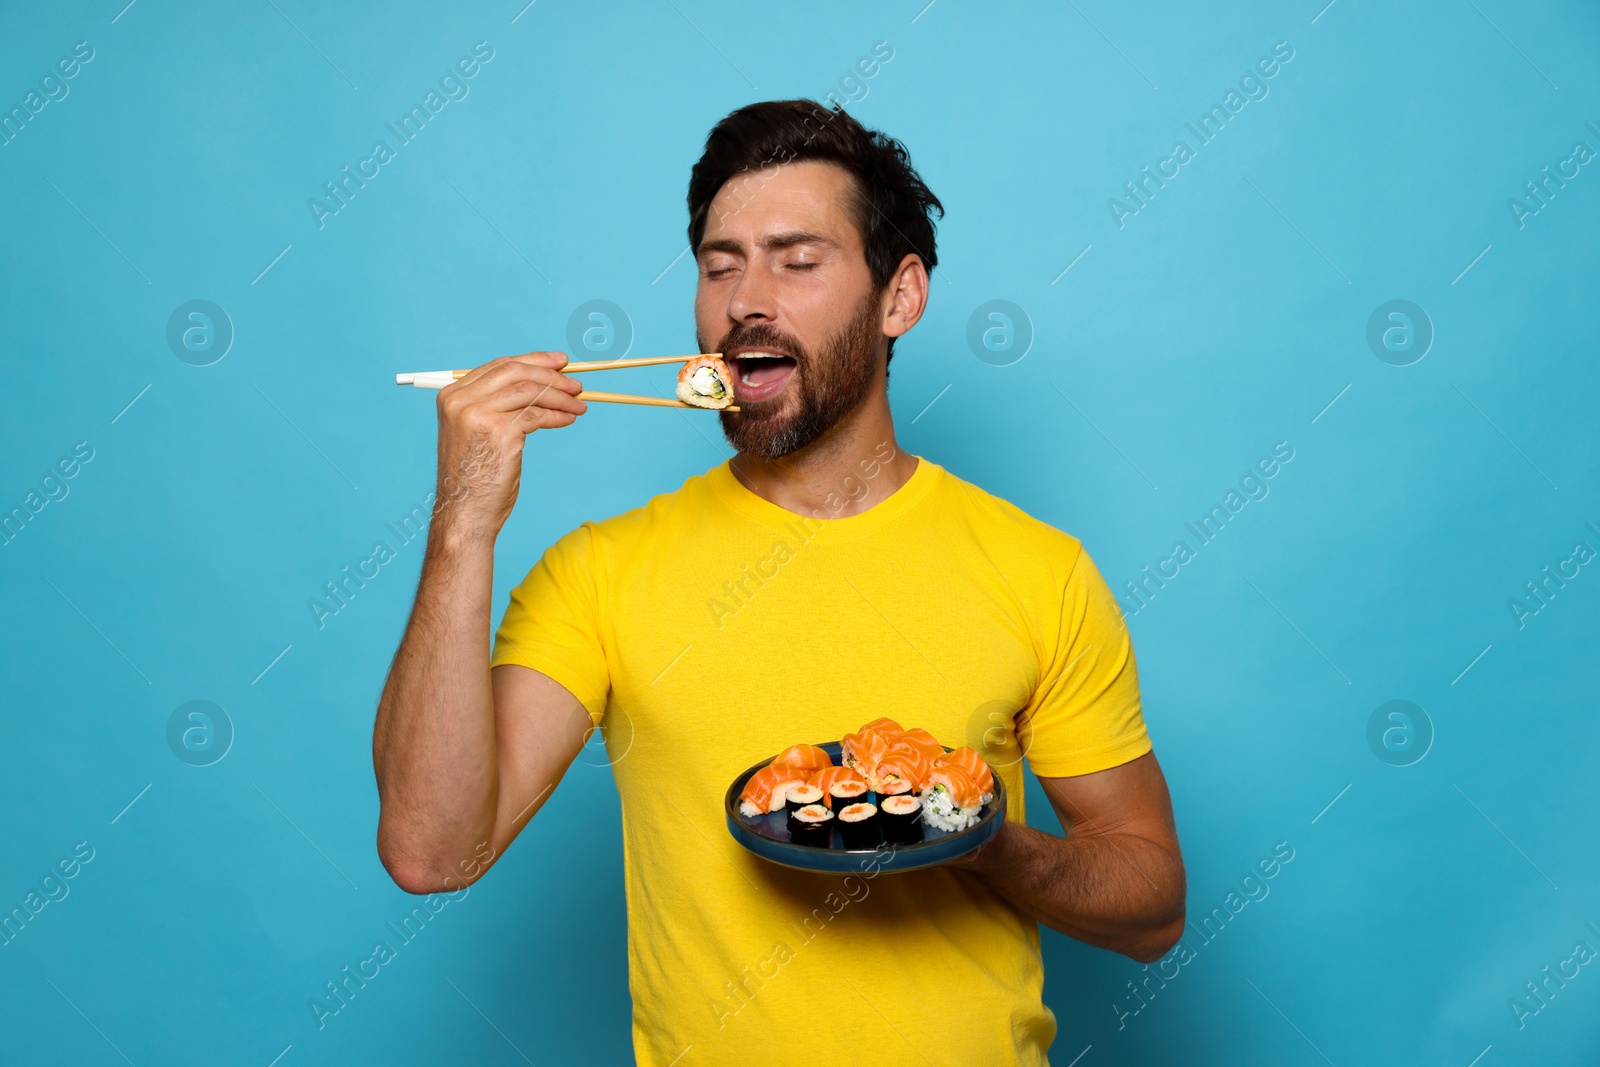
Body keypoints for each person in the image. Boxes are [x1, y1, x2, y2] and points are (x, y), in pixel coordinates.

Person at [373, 98, 1185, 1065]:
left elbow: (1151, 908)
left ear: (900, 297)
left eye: (797, 260)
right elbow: (431, 851)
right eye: (721, 264)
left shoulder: (1038, 569)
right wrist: (464, 522)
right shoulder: (601, 572)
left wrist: (977, 838)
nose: (744, 301)